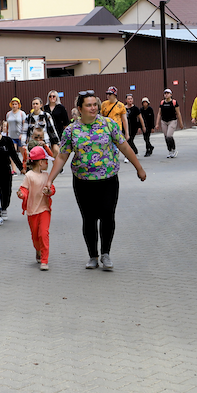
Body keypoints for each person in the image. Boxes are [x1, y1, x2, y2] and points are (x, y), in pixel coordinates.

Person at [46, 91, 146, 270]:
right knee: (89, 218)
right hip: (83, 181)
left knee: (108, 214)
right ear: (79, 108)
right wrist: (49, 180)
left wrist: (139, 168)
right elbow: (62, 156)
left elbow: (124, 146)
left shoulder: (109, 124)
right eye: (88, 105)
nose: (93, 108)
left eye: (95, 105)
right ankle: (93, 255)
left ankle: (105, 253)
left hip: (108, 179)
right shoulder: (71, 130)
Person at [17, 146, 56, 271]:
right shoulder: (29, 176)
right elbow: (24, 189)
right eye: (46, 160)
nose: (47, 163)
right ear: (40, 162)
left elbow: (52, 189)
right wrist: (22, 194)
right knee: (35, 236)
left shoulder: (46, 176)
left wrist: (49, 191)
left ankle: (44, 260)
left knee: (43, 234)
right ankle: (38, 250)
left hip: (44, 209)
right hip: (32, 211)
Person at [155, 88, 184, 158]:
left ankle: (173, 149)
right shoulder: (162, 103)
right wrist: (157, 123)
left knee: (169, 136)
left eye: (168, 93)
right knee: (166, 137)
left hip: (172, 120)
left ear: (171, 94)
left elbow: (178, 113)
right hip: (164, 121)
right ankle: (170, 150)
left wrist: (181, 123)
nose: (166, 94)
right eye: (165, 93)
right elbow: (159, 113)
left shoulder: (174, 102)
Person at [5, 97, 26, 169]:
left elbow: (25, 125)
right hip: (11, 136)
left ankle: (24, 167)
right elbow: (7, 124)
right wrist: (7, 134)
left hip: (20, 136)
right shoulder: (8, 114)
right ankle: (14, 169)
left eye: (16, 104)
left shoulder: (21, 113)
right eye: (13, 104)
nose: (14, 106)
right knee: (13, 153)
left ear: (18, 105)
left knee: (23, 153)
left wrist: (22, 134)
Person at [124, 93, 145, 158]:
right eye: (129, 99)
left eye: (131, 99)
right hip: (126, 126)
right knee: (127, 140)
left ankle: (134, 152)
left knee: (130, 140)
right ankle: (131, 153)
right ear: (126, 100)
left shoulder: (135, 108)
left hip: (134, 127)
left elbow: (140, 118)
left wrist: (143, 126)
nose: (130, 100)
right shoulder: (123, 108)